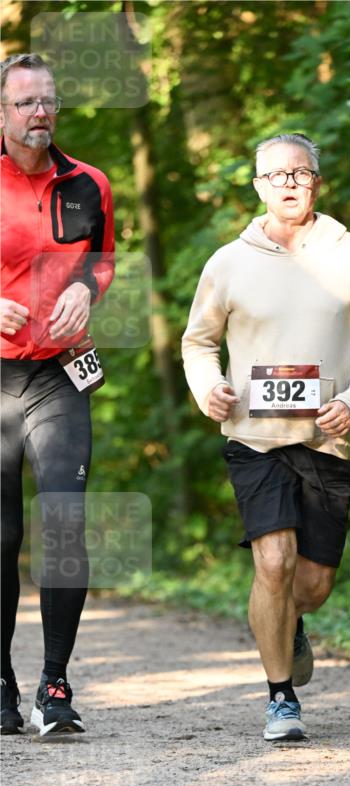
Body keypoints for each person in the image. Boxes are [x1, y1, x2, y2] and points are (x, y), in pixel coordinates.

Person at [182, 132, 350, 742]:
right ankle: (280, 698)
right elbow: (198, 342)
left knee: (312, 585)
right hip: (253, 438)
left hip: (325, 441)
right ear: (258, 187)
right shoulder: (228, 261)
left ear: (317, 181)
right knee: (272, 561)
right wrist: (210, 388)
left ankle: (291, 624)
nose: (290, 183)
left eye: (300, 172)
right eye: (276, 175)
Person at [0, 54, 114, 736]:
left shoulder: (89, 184)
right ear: (2, 112)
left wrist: (84, 289)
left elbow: (101, 258)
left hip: (56, 376)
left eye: (47, 100)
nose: (38, 112)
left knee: (65, 525)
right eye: (24, 103)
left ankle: (55, 686)